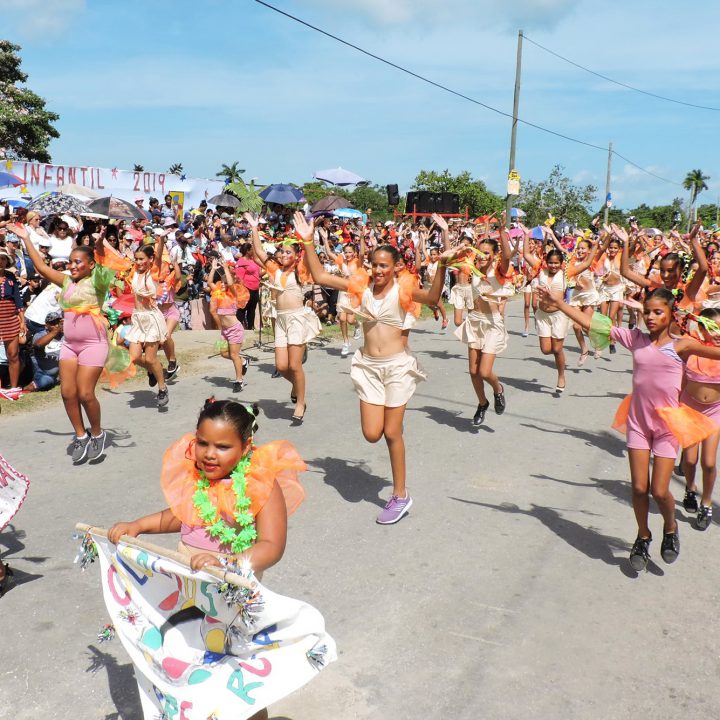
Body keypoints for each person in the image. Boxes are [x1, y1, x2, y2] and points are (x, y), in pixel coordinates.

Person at [538, 286, 720, 570]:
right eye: (646, 311)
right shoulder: (635, 339)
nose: (650, 317)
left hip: (667, 426)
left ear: (672, 313)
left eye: (657, 312)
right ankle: (643, 536)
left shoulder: (682, 345)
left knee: (660, 491)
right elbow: (592, 322)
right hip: (638, 422)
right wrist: (560, 303)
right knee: (638, 488)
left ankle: (670, 529)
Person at [298, 211, 457, 524]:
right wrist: (306, 242)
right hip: (368, 367)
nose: (379, 270)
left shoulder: (404, 289)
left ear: (396, 266)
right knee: (372, 434)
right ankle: (396, 472)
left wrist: (442, 264)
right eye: (374, 265)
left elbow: (434, 295)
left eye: (385, 265)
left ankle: (400, 495)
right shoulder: (361, 287)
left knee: (391, 432)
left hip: (397, 366)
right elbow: (319, 276)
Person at [107, 398, 304, 574]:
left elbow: (271, 546)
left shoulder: (261, 483)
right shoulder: (198, 475)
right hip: (186, 572)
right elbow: (185, 515)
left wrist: (226, 563)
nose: (209, 454)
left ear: (245, 447)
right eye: (202, 443)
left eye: (222, 447)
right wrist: (138, 525)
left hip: (231, 583)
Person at [12, 223, 116, 463]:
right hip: (70, 345)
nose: (72, 265)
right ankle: (81, 435)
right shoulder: (67, 282)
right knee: (67, 393)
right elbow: (40, 266)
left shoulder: (98, 281)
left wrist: (99, 245)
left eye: (78, 261)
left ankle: (97, 433)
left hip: (94, 344)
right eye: (70, 261)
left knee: (85, 393)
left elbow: (102, 262)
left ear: (90, 264)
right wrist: (27, 238)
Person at [245, 212, 320, 423]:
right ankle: (297, 386)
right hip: (281, 320)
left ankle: (300, 402)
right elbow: (259, 251)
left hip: (297, 318)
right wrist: (254, 227)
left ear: (296, 255)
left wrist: (307, 239)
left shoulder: (301, 270)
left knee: (295, 365)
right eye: (282, 251)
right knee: (281, 366)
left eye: (289, 251)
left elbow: (309, 255)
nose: (284, 254)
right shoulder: (274, 269)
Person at [453, 226, 514, 426]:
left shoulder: (500, 270)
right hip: (475, 321)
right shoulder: (472, 270)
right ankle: (482, 403)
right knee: (473, 370)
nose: (481, 256)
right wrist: (446, 233)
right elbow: (450, 259)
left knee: (485, 372)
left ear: (494, 255)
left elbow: (506, 255)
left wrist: (503, 232)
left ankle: (498, 390)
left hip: (492, 324)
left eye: (486, 253)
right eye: (479, 253)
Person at [679, 307, 720, 529]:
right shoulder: (690, 348)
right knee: (690, 460)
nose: (717, 333)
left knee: (709, 462)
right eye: (713, 328)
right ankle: (690, 487)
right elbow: (680, 380)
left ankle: (706, 503)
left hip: (715, 411)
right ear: (702, 328)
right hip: (689, 408)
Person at [125, 237, 170, 407]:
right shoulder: (134, 272)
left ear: (149, 259)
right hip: (138, 318)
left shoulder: (154, 271)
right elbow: (114, 257)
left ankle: (162, 388)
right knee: (134, 357)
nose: (138, 262)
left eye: (141, 258)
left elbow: (158, 257)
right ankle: (155, 370)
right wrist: (101, 241)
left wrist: (161, 240)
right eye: (136, 259)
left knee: (151, 359)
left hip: (151, 318)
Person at [523, 241, 570, 393]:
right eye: (550, 262)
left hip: (558, 315)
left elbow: (588, 262)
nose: (553, 266)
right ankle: (560, 356)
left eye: (556, 263)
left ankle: (561, 375)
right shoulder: (540, 271)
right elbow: (526, 254)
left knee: (557, 349)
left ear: (561, 263)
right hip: (542, 315)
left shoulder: (566, 274)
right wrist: (525, 236)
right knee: (545, 350)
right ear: (546, 262)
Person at [208, 258, 250, 392]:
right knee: (222, 353)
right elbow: (209, 282)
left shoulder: (233, 293)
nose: (224, 284)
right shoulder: (218, 293)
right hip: (224, 331)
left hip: (234, 329)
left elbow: (231, 283)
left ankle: (239, 381)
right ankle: (243, 361)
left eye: (226, 283)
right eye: (222, 282)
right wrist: (214, 268)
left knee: (233, 355)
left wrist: (226, 267)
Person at [0, 248, 25, 397]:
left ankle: (14, 388)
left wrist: (22, 321)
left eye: (3, 259)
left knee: (13, 354)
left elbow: (18, 300)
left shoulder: (11, 278)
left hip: (10, 318)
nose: (0, 261)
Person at [23, 310, 63, 393]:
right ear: (46, 325)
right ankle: (25, 388)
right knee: (46, 381)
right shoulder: (40, 334)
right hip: (43, 373)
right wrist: (55, 331)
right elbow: (38, 344)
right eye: (53, 323)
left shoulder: (64, 335)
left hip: (60, 373)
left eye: (58, 322)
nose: (56, 325)